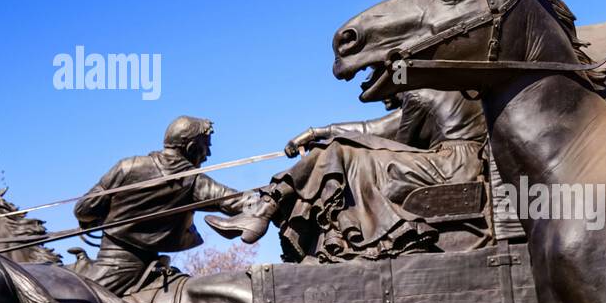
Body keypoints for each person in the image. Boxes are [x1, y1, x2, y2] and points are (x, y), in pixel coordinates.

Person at [206, 88, 487, 262]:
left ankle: (263, 209)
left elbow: (380, 134)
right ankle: (263, 209)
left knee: (340, 153)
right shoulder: (465, 90)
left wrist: (320, 133)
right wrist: (323, 136)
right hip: (463, 162)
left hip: (448, 164)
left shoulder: (422, 92)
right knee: (337, 153)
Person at [73, 116, 260, 294]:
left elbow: (83, 210)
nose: (208, 154)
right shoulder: (193, 181)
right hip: (129, 268)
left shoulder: (127, 165)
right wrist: (270, 196)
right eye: (206, 147)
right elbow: (238, 201)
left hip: (115, 264)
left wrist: (98, 218)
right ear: (192, 146)